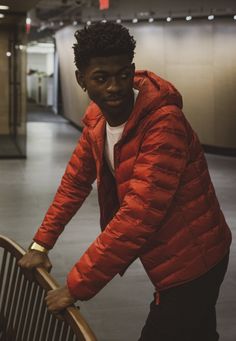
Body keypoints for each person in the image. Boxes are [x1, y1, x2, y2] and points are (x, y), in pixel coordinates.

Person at [18, 22, 232, 341]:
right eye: (101, 78)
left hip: (194, 259)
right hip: (169, 257)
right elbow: (74, 184)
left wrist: (76, 287)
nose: (114, 87)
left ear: (132, 70)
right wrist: (40, 244)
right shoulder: (97, 119)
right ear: (81, 80)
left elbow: (136, 218)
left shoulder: (163, 125)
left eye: (122, 75)